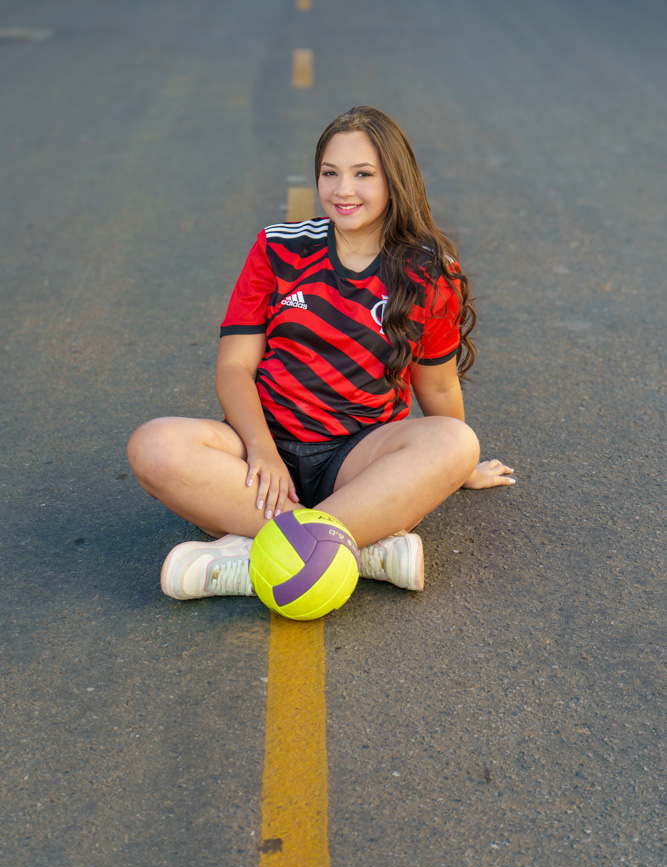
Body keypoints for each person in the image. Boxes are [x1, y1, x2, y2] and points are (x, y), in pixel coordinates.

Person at [127, 106, 515, 600]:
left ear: (395, 181)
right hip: (258, 452)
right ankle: (360, 549)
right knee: (153, 446)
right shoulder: (277, 248)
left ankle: (248, 556)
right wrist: (262, 451)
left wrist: (458, 471)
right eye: (330, 173)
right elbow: (234, 367)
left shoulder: (430, 273)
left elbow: (437, 384)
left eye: (363, 174)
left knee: (457, 442)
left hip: (356, 460)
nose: (342, 190)